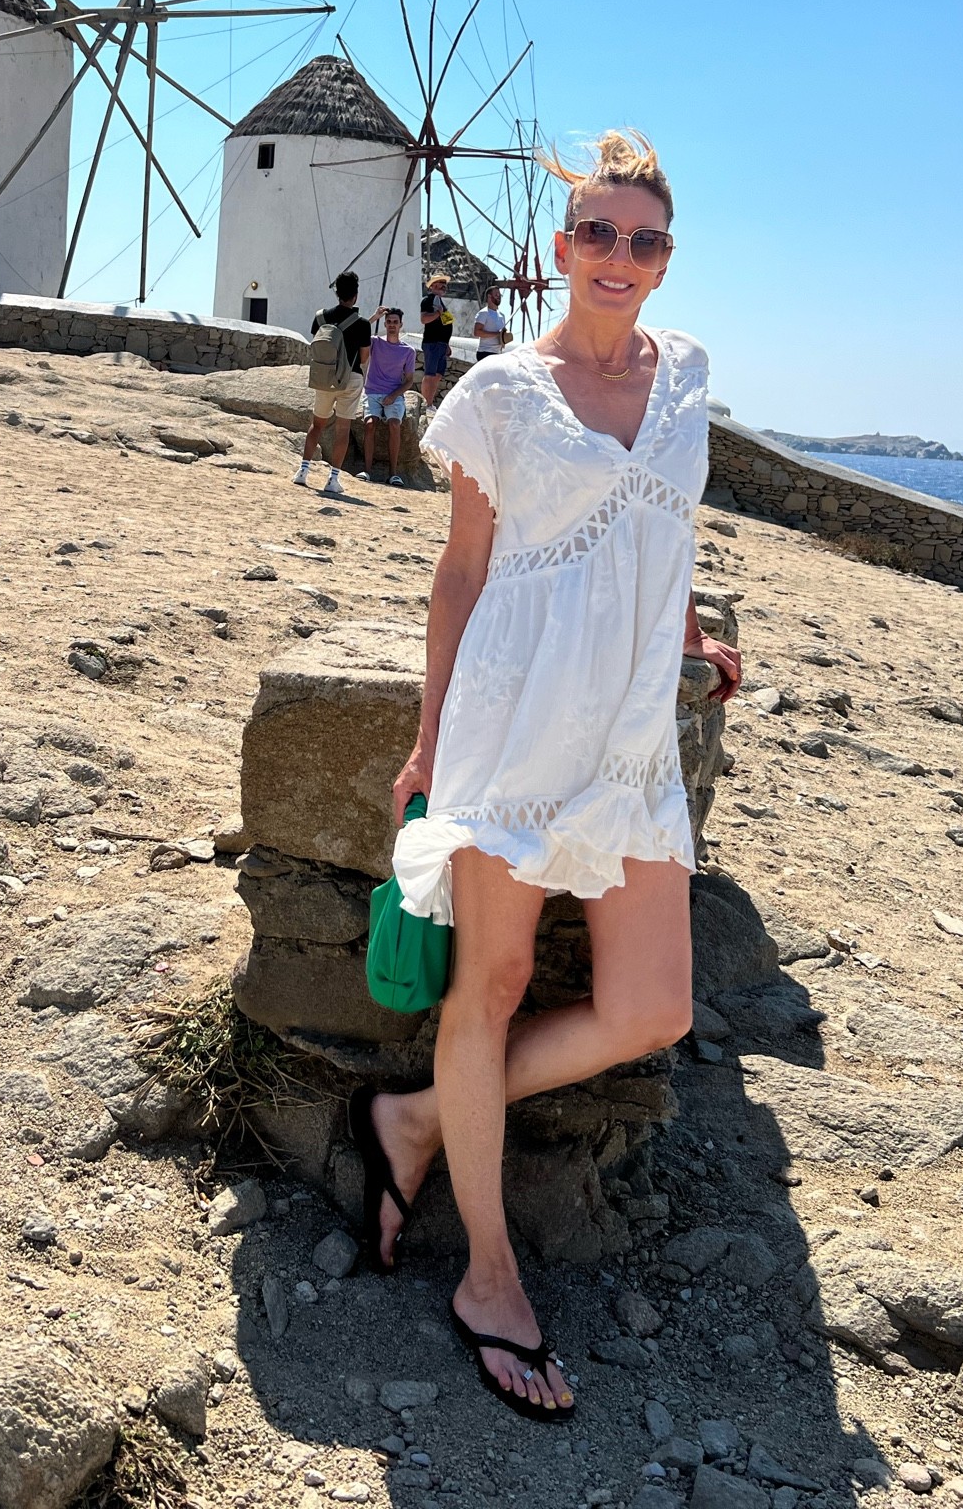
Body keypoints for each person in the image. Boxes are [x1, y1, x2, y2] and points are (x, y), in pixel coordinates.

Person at [347, 131, 740, 1422]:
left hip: (626, 732)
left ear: (665, 262)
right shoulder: (504, 394)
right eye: (597, 235)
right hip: (513, 719)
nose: (619, 258)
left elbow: (658, 524)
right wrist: (427, 734)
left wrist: (685, 636)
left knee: (652, 1009)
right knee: (495, 981)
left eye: (644, 241)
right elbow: (463, 571)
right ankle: (492, 1279)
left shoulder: (685, 376)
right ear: (560, 250)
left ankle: (412, 1122)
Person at [294, 272, 369, 497]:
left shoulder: (320, 318)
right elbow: (364, 358)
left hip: (324, 377)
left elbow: (316, 344)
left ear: (336, 293)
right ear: (355, 296)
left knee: (317, 424)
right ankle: (333, 478)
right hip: (350, 377)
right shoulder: (363, 324)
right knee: (342, 429)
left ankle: (303, 471)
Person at [363, 307, 415, 486]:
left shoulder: (408, 351)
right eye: (389, 322)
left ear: (401, 325)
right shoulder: (375, 342)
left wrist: (393, 396)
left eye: (395, 322)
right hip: (372, 391)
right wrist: (374, 316)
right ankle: (367, 471)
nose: (392, 325)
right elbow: (357, 331)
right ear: (385, 324)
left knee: (394, 424)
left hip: (394, 395)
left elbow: (409, 380)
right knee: (370, 424)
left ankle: (393, 473)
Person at [420, 272, 454, 410]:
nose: (443, 286)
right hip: (432, 342)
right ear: (432, 286)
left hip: (441, 344)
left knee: (438, 375)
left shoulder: (440, 303)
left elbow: (445, 324)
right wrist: (438, 314)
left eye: (444, 283)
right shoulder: (428, 301)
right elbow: (424, 319)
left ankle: (430, 402)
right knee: (430, 374)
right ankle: (425, 403)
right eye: (439, 283)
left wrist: (446, 343)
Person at [473, 286, 511, 360]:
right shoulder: (483, 313)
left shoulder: (502, 315)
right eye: (496, 294)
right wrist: (497, 334)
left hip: (497, 353)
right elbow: (477, 332)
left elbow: (501, 335)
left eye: (499, 295)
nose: (499, 297)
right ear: (489, 296)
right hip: (485, 352)